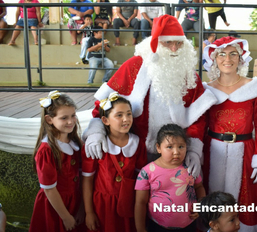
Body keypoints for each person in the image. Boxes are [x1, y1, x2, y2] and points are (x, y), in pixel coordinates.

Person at [82, 14, 217, 178]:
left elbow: (198, 117)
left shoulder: (189, 75)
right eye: (168, 42)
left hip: (174, 154)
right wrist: (96, 131)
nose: (174, 48)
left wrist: (194, 150)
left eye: (179, 43)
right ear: (156, 42)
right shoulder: (134, 66)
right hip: (135, 151)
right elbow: (104, 104)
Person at [202, 36, 257, 232]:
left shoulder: (253, 89)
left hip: (246, 155)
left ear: (241, 58)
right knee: (212, 201)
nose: (228, 58)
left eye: (233, 53)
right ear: (214, 59)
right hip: (212, 154)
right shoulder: (206, 90)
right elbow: (199, 126)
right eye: (222, 54)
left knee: (246, 202)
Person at [82, 92, 146, 232]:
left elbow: (140, 179)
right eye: (119, 115)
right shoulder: (96, 144)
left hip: (128, 204)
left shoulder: (137, 143)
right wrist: (89, 212)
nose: (126, 119)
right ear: (105, 120)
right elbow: (87, 179)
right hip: (101, 206)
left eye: (129, 114)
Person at [135, 123, 206, 232]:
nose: (176, 152)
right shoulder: (147, 172)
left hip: (188, 227)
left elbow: (199, 187)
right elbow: (140, 202)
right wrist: (140, 230)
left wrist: (200, 206)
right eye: (169, 147)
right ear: (158, 148)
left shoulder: (190, 168)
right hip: (158, 229)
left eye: (181, 146)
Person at [28, 91, 83, 232]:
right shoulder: (47, 150)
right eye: (64, 118)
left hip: (74, 202)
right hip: (55, 208)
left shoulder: (75, 142)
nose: (71, 121)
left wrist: (81, 208)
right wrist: (65, 217)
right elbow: (49, 189)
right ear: (49, 119)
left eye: (73, 115)